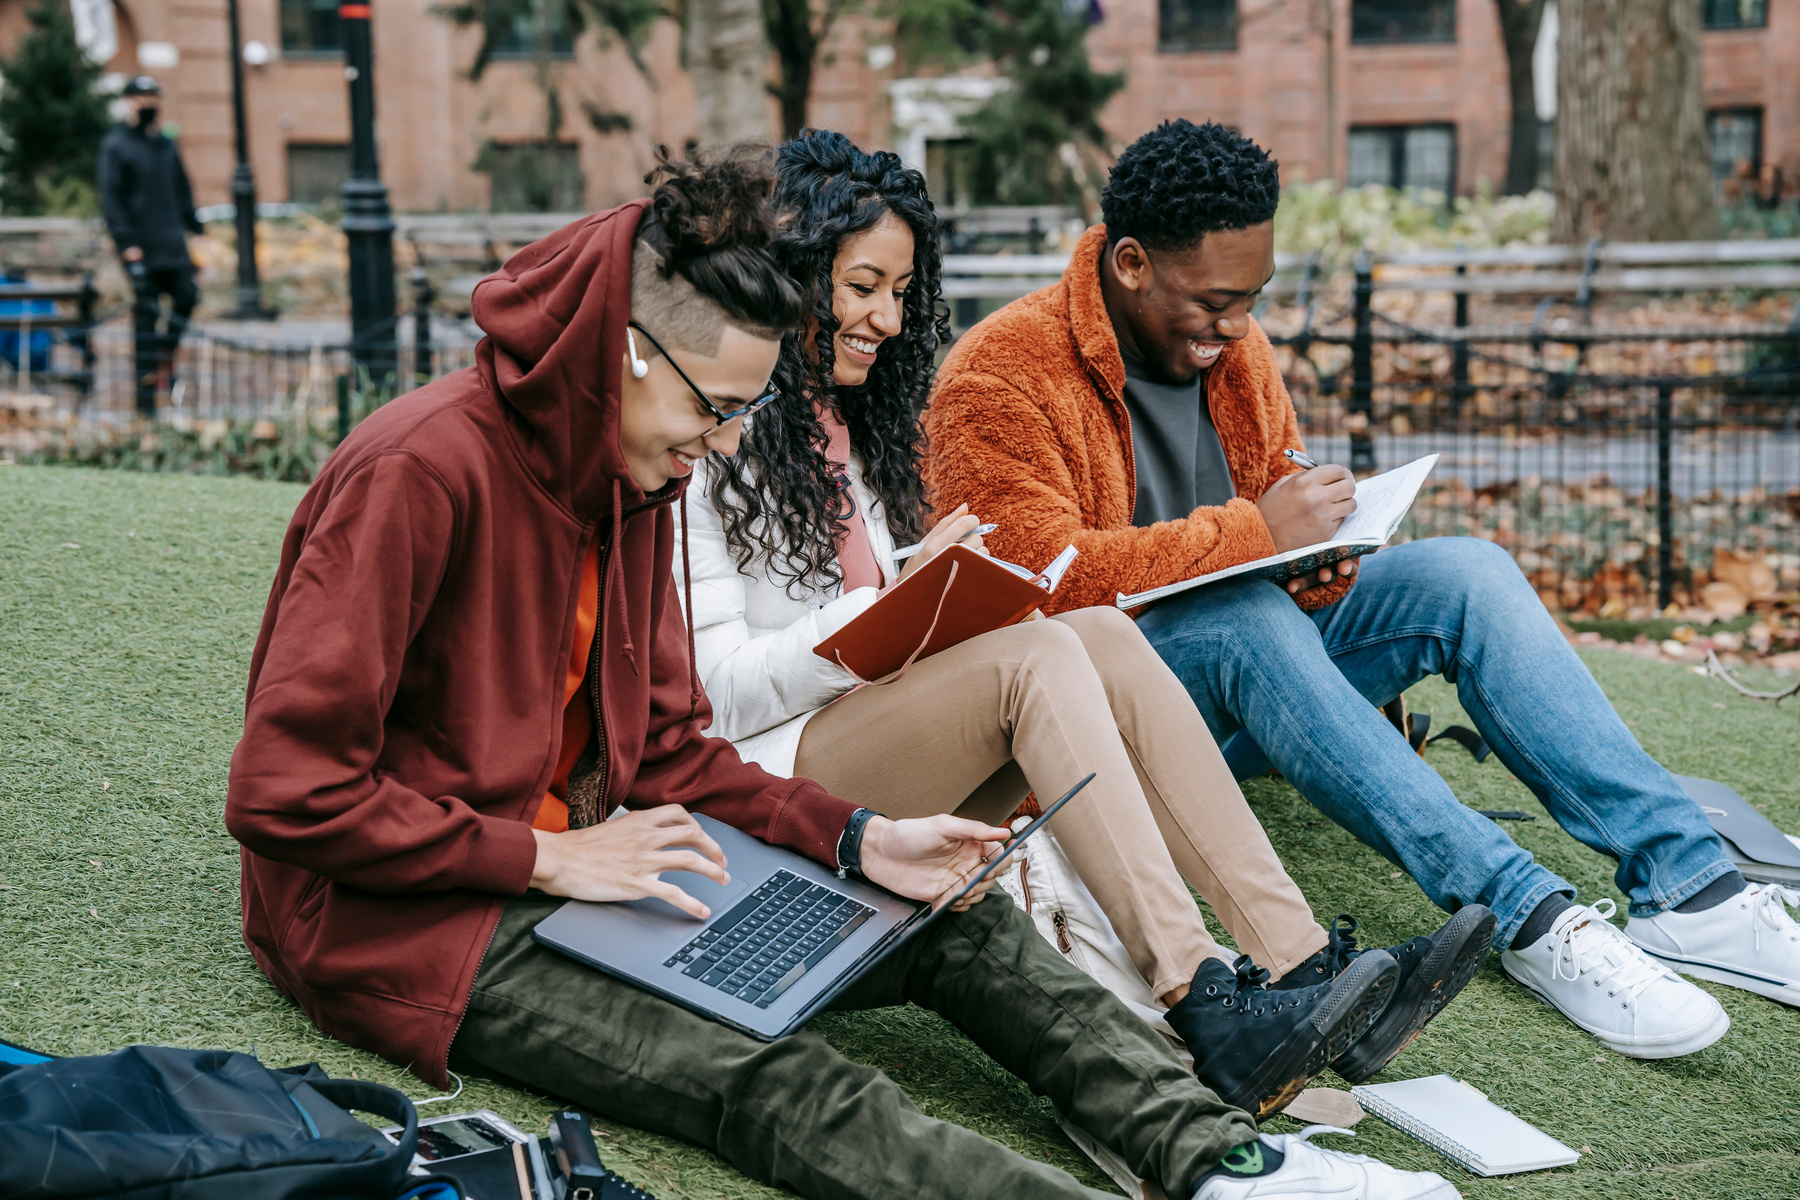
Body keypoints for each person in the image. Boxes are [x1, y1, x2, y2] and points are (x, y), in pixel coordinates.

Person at [224, 141, 1460, 1200]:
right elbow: (284, 791)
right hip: (434, 924)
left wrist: (859, 837)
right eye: (710, 411)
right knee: (768, 1077)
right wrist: (550, 856)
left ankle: (1227, 1164)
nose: (714, 450)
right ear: (631, 353)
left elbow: (668, 750)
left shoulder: (635, 472)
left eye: (737, 421)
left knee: (951, 922)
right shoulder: (415, 473)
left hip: (623, 857)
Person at [924, 118, 1800, 1059]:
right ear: (1131, 263)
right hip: (1110, 712)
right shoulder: (998, 374)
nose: (1235, 329)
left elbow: (1275, 487)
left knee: (1467, 572)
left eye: (1253, 299)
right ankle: (1531, 917)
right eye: (1215, 302)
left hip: (1257, 663)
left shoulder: (1235, 346)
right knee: (1237, 616)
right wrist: (1258, 535)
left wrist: (1317, 552)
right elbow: (1027, 593)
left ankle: (1689, 889)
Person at [678, 130, 1493, 1117]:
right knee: (1036, 656)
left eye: (900, 291)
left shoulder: (862, 423)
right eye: (860, 288)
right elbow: (713, 694)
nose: (886, 319)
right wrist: (891, 606)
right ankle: (1202, 996)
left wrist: (922, 593)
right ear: (793, 274)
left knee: (1096, 635)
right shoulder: (703, 432)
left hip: (880, 733)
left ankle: (1297, 965)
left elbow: (882, 608)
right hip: (773, 782)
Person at [97, 75, 201, 416]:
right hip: (140, 247)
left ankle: (161, 357)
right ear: (128, 101)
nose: (148, 103)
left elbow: (183, 191)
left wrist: (197, 231)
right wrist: (126, 244)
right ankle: (145, 405)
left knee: (187, 297)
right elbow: (111, 200)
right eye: (141, 97)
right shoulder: (116, 144)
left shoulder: (165, 144)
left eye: (153, 97)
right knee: (145, 317)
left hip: (172, 243)